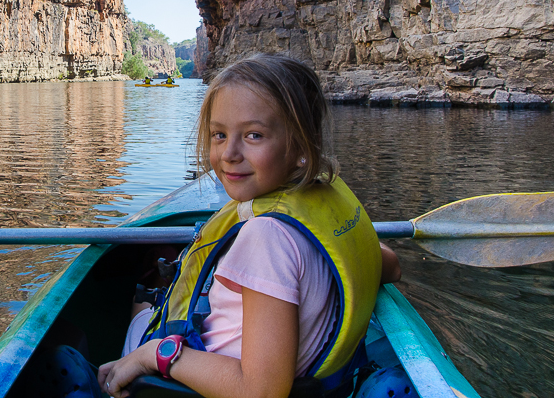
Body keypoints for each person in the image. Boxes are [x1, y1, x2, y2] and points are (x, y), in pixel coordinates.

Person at [98, 54, 401, 398]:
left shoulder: (266, 238)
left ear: (300, 145)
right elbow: (388, 265)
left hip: (194, 385)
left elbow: (262, 391)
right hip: (315, 381)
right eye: (219, 135)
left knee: (142, 305)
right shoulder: (319, 205)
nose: (229, 153)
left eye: (254, 135)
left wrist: (155, 355)